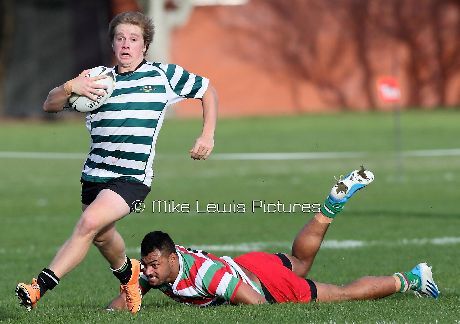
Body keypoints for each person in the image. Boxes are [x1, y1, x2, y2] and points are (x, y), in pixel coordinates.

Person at [15, 11, 218, 314]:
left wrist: (207, 135)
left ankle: (38, 287)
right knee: (103, 236)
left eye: (134, 39)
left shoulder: (163, 75)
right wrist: (71, 87)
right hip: (94, 173)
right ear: (112, 44)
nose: (126, 45)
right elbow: (50, 104)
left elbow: (207, 91)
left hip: (132, 177)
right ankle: (130, 277)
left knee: (88, 224)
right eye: (120, 38)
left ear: (144, 46)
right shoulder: (97, 78)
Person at [107, 167, 439, 310]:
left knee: (340, 295)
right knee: (301, 262)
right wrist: (110, 313)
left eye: (152, 266)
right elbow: (132, 291)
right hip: (247, 263)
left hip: (259, 282)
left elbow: (257, 303)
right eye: (148, 267)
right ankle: (330, 206)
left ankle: (411, 279)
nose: (148, 273)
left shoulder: (206, 277)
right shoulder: (162, 264)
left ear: (171, 258)